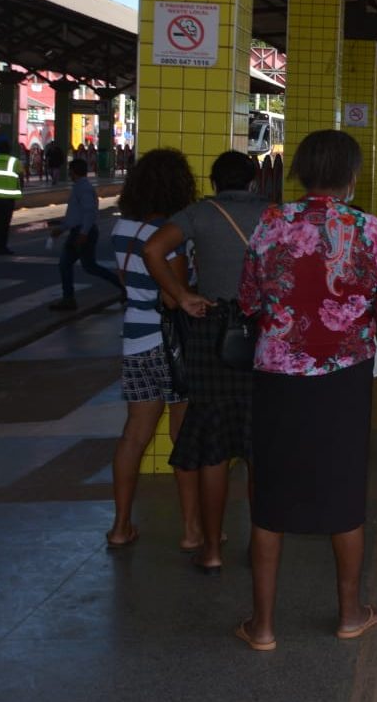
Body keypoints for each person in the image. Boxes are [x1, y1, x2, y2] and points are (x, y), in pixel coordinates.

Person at [235, 129, 377, 651]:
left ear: (300, 172)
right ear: (351, 176)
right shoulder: (371, 230)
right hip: (343, 380)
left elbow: (247, 301)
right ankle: (350, 615)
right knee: (343, 492)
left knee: (270, 498)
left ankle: (262, 627)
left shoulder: (270, 223)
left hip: (277, 378)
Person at [143, 151, 268, 574]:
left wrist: (182, 297)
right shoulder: (276, 214)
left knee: (214, 447)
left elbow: (153, 249)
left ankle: (212, 550)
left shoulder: (200, 213)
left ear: (214, 182)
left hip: (212, 334)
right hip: (264, 334)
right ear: (253, 181)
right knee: (257, 448)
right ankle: (260, 546)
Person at [106, 148, 198, 550]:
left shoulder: (122, 230)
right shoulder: (167, 236)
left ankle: (120, 526)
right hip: (172, 343)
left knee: (133, 437)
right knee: (184, 436)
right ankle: (193, 530)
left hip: (136, 339)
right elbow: (174, 296)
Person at [49, 158, 123, 310]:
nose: (69, 173)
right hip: (82, 231)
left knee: (66, 264)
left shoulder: (83, 188)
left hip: (82, 232)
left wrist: (83, 233)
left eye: (70, 170)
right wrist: (62, 228)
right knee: (89, 266)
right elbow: (75, 215)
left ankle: (68, 299)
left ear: (74, 171)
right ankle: (123, 285)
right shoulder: (81, 187)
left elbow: (88, 213)